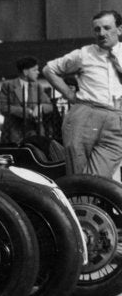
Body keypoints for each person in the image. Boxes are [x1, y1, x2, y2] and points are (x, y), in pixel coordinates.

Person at [43, 10, 122, 177]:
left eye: (107, 28)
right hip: (86, 116)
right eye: (97, 29)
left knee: (99, 179)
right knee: (79, 176)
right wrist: (68, 94)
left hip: (116, 120)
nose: (101, 33)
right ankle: (80, 203)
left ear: (119, 30)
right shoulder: (84, 54)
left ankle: (85, 202)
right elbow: (49, 69)